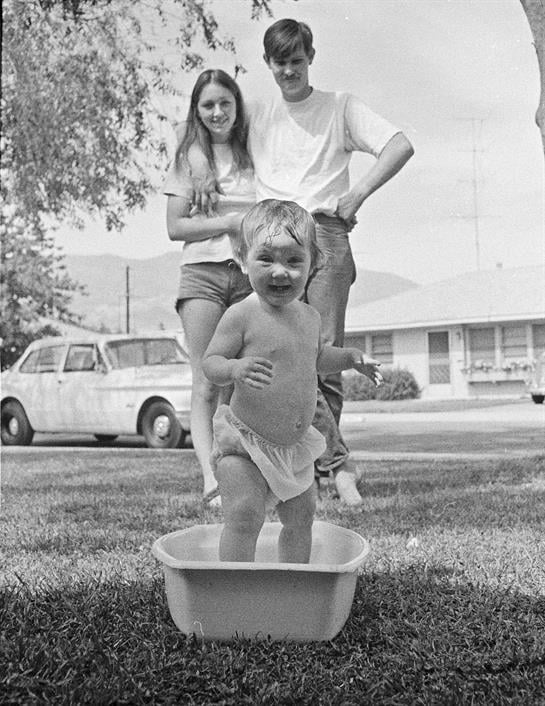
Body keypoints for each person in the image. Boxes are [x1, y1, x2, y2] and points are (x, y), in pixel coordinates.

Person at [191, 19, 414, 507]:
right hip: (273, 236)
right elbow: (215, 131)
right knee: (278, 352)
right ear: (268, 64)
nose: (288, 69)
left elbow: (400, 144)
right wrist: (203, 165)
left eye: (296, 59)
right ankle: (333, 466)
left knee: (323, 355)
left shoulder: (339, 106)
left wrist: (355, 195)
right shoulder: (261, 114)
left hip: (325, 233)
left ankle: (318, 470)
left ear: (310, 56)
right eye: (279, 61)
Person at [202, 200, 382, 562]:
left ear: (313, 262)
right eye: (265, 259)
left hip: (294, 447)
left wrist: (349, 359)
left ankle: (294, 582)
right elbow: (210, 363)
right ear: (242, 259)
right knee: (245, 515)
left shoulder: (310, 318)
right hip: (244, 442)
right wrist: (234, 369)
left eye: (293, 260)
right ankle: (233, 589)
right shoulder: (242, 315)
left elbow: (316, 359)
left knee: (302, 518)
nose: (280, 272)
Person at [164, 69, 255, 507]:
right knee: (205, 382)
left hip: (249, 276)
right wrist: (228, 222)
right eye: (207, 105)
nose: (217, 112)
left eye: (225, 103)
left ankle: (242, 473)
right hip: (202, 274)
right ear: (196, 110)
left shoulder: (254, 150)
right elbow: (174, 226)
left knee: (242, 383)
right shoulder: (187, 156)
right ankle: (209, 477)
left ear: (238, 105)